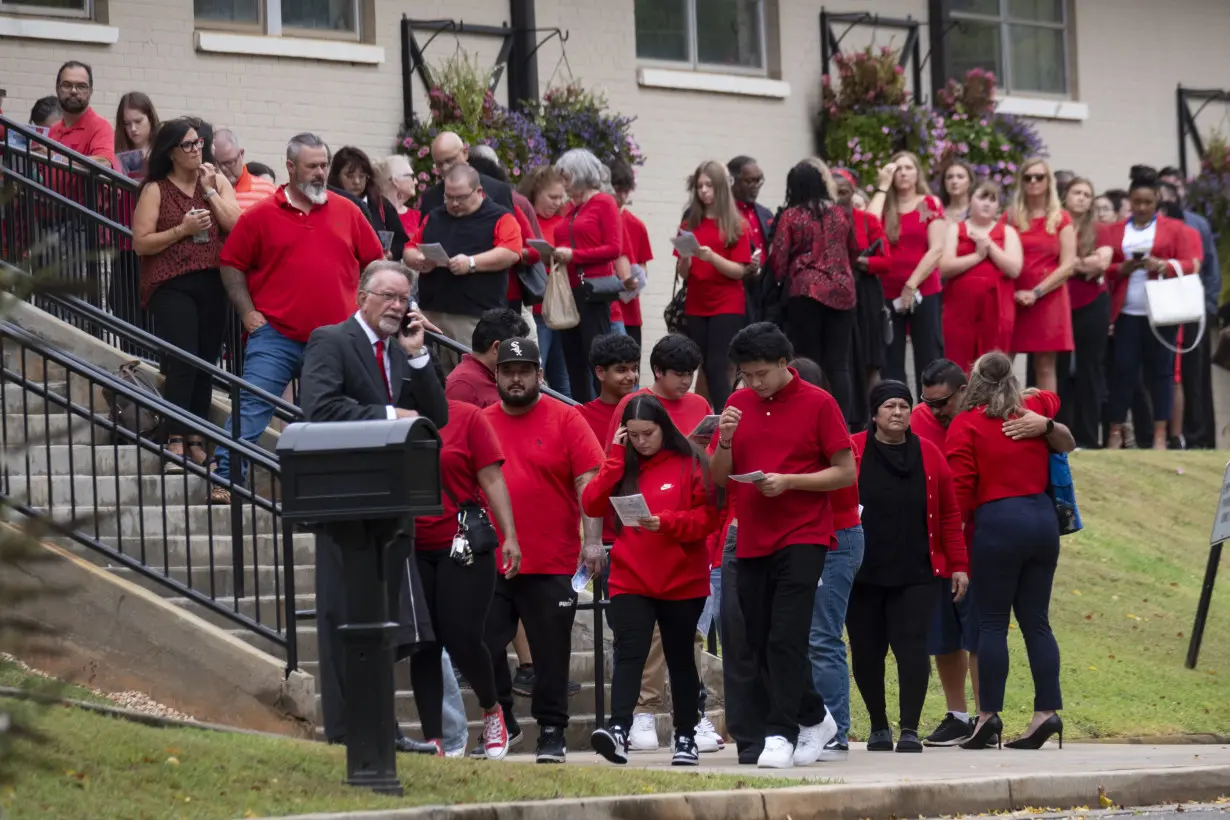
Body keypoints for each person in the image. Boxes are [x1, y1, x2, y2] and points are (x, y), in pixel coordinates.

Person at [298, 261, 449, 755]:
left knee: (387, 620)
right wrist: (389, 415)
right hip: (347, 502)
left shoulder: (402, 351)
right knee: (345, 613)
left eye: (403, 298)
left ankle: (382, 723)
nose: (396, 306)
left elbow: (438, 415)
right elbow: (319, 410)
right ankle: (346, 728)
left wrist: (420, 355)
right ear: (362, 294)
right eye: (387, 296)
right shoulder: (331, 340)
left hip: (394, 500)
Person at [711, 322, 855, 768]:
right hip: (752, 536)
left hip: (805, 532)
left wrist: (791, 481)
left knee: (786, 635)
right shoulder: (737, 403)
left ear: (783, 364)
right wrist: (728, 438)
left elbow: (846, 471)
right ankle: (815, 717)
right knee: (757, 638)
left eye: (761, 374)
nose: (753, 383)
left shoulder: (819, 403)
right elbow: (717, 477)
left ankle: (781, 732)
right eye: (745, 375)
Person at [214, 132, 386, 502]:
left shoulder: (348, 211)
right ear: (290, 167)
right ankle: (225, 479)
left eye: (324, 164)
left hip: (335, 338)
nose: (322, 172)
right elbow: (230, 263)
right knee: (252, 406)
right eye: (313, 166)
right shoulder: (261, 215)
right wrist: (247, 312)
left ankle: (330, 489)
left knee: (332, 416)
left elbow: (375, 261)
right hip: (274, 333)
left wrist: (368, 309)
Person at [481, 338, 606, 764]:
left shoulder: (566, 418)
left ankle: (552, 731)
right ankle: (502, 719)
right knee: (480, 642)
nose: (516, 378)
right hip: (491, 560)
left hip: (552, 559)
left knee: (551, 654)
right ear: (496, 375)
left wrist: (593, 541)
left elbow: (589, 482)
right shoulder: (481, 421)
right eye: (508, 370)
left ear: (540, 375)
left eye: (525, 370)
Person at [946, 351, 1075, 751]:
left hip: (998, 523)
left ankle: (988, 716)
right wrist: (1037, 405)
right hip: (1042, 521)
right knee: (1037, 622)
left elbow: (960, 494)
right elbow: (1050, 399)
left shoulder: (965, 424)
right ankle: (1046, 713)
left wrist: (956, 552)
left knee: (992, 624)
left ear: (973, 383)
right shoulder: (1034, 410)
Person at [584, 395, 719, 766]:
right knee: (630, 651)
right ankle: (617, 729)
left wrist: (668, 523)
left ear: (664, 429)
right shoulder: (622, 464)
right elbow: (592, 503)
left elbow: (708, 518)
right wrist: (614, 458)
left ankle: (686, 736)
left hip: (681, 579)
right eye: (635, 435)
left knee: (680, 658)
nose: (642, 442)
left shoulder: (691, 460)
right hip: (632, 576)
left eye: (649, 434)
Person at [846, 380, 967, 753]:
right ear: (874, 414)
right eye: (889, 406)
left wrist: (959, 564)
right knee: (866, 652)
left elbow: (949, 513)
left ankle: (910, 729)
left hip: (917, 572)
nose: (897, 412)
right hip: (862, 572)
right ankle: (879, 726)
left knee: (912, 649)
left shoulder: (929, 454)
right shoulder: (852, 450)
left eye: (903, 405)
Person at [410, 392, 521, 759]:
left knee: (463, 637)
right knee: (423, 644)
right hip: (410, 545)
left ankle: (492, 709)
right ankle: (434, 741)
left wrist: (510, 537)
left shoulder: (467, 417)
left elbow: (491, 478)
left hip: (462, 542)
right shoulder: (384, 415)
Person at [131, 118, 241, 471]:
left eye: (199, 143)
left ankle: (195, 439)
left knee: (206, 362)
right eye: (189, 146)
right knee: (183, 360)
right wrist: (182, 229)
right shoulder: (155, 189)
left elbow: (237, 226)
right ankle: (173, 438)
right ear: (172, 153)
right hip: (171, 283)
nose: (197, 151)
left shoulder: (216, 179)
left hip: (212, 281)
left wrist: (209, 191)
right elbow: (140, 243)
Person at [1103, 169, 1198, 451]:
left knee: (1161, 372)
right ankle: (1115, 432)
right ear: (1129, 201)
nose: (1142, 207)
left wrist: (1163, 266)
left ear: (1156, 199)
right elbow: (1104, 267)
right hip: (1127, 312)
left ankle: (1160, 434)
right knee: (1123, 371)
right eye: (1136, 202)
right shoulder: (1116, 230)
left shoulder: (1175, 229)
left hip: (1162, 311)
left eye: (1147, 202)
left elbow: (1193, 263)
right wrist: (1122, 268)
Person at [796, 357, 860, 761]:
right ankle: (809, 722)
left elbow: (842, 484)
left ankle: (835, 726)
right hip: (803, 537)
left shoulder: (829, 432)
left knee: (823, 636)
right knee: (798, 638)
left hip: (838, 537)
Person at [404, 164, 522, 370]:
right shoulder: (434, 216)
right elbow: (409, 249)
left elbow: (511, 252)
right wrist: (420, 260)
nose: (454, 203)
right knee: (434, 373)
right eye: (449, 197)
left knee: (471, 373)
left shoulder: (500, 217)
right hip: (432, 313)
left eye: (461, 197)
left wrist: (472, 263)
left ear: (479, 191)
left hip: (473, 316)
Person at [769, 159, 860, 420]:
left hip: (806, 292)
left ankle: (812, 418)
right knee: (839, 364)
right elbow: (854, 250)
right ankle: (842, 422)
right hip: (843, 292)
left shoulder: (791, 216)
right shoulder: (840, 213)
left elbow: (779, 261)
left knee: (810, 360)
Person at [548, 149, 626, 402]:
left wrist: (574, 255)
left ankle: (605, 414)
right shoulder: (573, 209)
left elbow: (614, 248)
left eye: (567, 177)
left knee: (596, 360)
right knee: (574, 360)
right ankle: (582, 410)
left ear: (581, 174)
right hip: (570, 291)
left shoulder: (604, 203)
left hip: (592, 290)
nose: (564, 183)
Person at [678, 160, 754, 413]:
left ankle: (725, 417)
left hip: (727, 303)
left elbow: (739, 271)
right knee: (702, 364)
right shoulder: (691, 222)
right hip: (697, 302)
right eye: (700, 186)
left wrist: (712, 257)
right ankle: (710, 416)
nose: (703, 191)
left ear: (720, 187)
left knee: (718, 365)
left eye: (709, 185)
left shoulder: (736, 224)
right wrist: (687, 257)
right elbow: (683, 273)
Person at [869, 152, 946, 396]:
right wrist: (882, 186)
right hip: (887, 292)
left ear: (917, 173)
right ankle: (897, 410)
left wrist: (911, 284)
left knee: (928, 355)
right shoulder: (886, 207)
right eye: (897, 168)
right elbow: (867, 223)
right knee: (890, 357)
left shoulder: (926, 204)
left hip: (922, 289)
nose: (902, 173)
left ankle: (931, 412)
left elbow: (937, 248)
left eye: (908, 168)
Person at [939, 180, 1023, 374]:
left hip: (997, 308)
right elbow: (944, 267)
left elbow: (1014, 269)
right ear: (970, 200)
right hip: (959, 308)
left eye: (992, 200)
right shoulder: (956, 229)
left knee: (993, 364)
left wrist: (989, 246)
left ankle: (992, 405)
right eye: (982, 197)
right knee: (958, 363)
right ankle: (961, 404)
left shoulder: (1007, 232)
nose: (987, 203)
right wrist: (977, 256)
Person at [1008, 158, 1077, 393]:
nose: (1034, 182)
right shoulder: (1009, 217)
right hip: (1013, 296)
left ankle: (1046, 424)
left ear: (1049, 182)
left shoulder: (1061, 218)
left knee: (1045, 366)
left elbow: (1068, 264)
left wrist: (1036, 292)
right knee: (1001, 363)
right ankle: (998, 421)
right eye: (1028, 177)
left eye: (1039, 177)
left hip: (1048, 297)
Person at [1056, 178, 1113, 450]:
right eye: (1076, 193)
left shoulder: (1100, 229)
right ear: (1065, 196)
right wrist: (1082, 265)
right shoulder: (1053, 224)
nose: (1081, 198)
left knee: (1090, 370)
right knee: (1058, 370)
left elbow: (1102, 262)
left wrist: (1067, 264)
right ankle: (1058, 435)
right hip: (1057, 303)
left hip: (1092, 303)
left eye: (1086, 194)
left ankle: (1089, 438)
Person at [833, 168, 891, 421]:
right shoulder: (822, 219)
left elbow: (887, 261)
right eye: (833, 192)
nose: (839, 197)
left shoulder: (867, 220)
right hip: (835, 294)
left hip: (865, 293)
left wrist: (862, 263)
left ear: (853, 191)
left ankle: (876, 420)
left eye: (844, 192)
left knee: (870, 358)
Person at [519, 164, 571, 395]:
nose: (558, 202)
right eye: (552, 197)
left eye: (561, 197)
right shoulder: (526, 220)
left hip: (562, 310)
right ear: (535, 193)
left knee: (563, 377)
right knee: (536, 369)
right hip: (538, 308)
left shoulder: (565, 221)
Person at [329, 145, 410, 262]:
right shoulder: (328, 204)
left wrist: (390, 254)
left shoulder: (381, 204)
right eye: (349, 176)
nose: (356, 182)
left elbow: (401, 241)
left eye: (362, 176)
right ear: (337, 176)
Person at [727, 155, 779, 325]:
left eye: (759, 181)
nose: (756, 187)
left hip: (763, 292)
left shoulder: (766, 214)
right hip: (735, 290)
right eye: (749, 181)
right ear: (732, 181)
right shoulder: (723, 215)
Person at [445, 307, 530, 409]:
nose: (520, 357)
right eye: (517, 350)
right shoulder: (462, 386)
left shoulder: (498, 378)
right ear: (496, 347)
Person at [419, 131, 515, 217]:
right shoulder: (430, 198)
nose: (445, 168)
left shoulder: (497, 190)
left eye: (450, 160)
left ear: (465, 153)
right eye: (439, 164)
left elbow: (510, 232)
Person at [611, 159, 650, 349]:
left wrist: (637, 281)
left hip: (630, 312)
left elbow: (642, 265)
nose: (622, 197)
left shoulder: (637, 225)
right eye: (618, 190)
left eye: (626, 191)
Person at [48, 61, 116, 169]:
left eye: (81, 86)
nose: (74, 91)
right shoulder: (53, 129)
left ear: (90, 91)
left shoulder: (101, 127)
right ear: (57, 89)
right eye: (67, 85)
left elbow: (104, 163)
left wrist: (57, 158)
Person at [577, 333, 642, 442]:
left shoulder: (646, 410)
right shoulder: (582, 417)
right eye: (621, 370)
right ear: (600, 373)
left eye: (634, 369)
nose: (631, 377)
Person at [211, 128, 278, 213]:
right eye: (217, 165)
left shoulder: (269, 191)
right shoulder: (208, 190)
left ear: (241, 154)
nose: (223, 169)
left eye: (229, 163)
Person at [373, 154, 422, 240]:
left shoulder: (418, 217)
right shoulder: (375, 214)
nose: (416, 181)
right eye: (412, 176)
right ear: (395, 181)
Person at [113, 91, 158, 176]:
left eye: (138, 121)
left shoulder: (165, 148)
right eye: (127, 123)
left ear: (150, 118)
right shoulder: (115, 149)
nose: (133, 129)